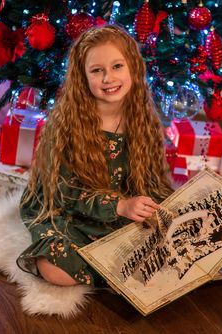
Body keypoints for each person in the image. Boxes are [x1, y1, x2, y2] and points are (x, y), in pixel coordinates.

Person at [16, 25, 174, 287]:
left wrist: (152, 208)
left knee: (169, 241)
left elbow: (150, 180)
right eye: (97, 70)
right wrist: (119, 206)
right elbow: (63, 192)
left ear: (133, 67)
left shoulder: (142, 119)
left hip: (122, 208)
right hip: (67, 208)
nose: (108, 78)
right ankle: (115, 272)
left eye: (117, 66)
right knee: (58, 271)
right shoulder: (68, 124)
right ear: (83, 77)